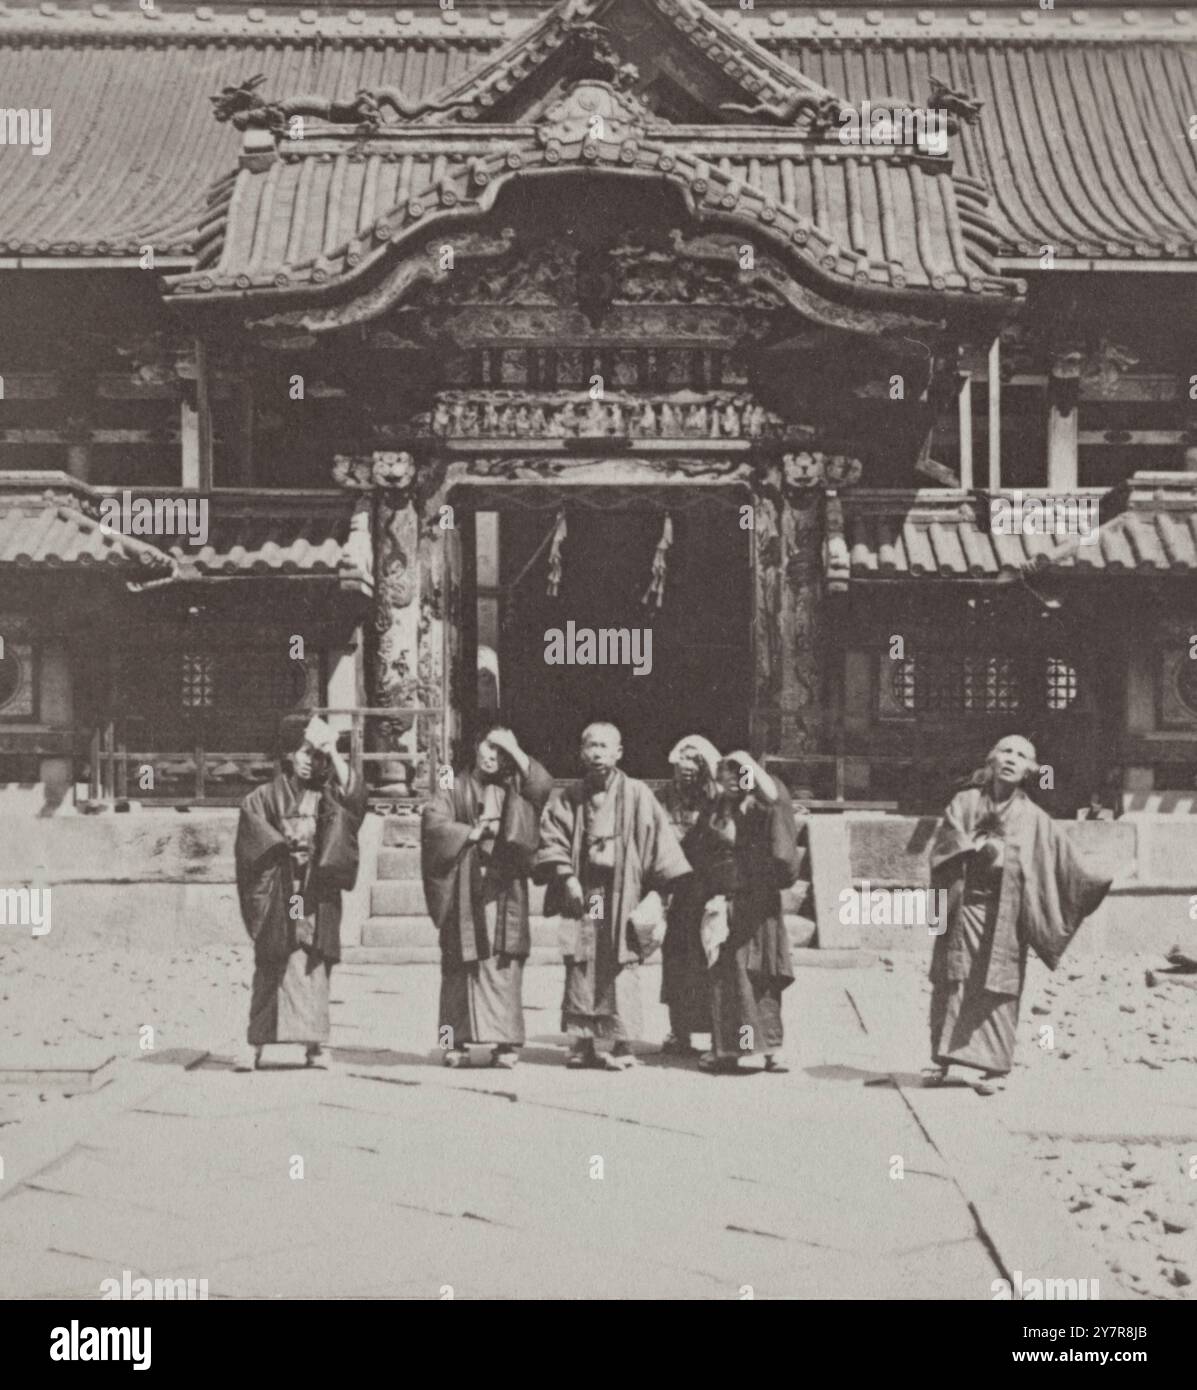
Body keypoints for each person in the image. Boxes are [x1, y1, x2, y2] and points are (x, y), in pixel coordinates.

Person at [927, 735, 1112, 1096]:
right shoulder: (964, 802)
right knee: (954, 980)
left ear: (1030, 770)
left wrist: (1099, 877)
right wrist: (976, 849)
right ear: (992, 759)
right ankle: (946, 1061)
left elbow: (1065, 862)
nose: (1012, 759)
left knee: (1000, 986)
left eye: (1022, 755)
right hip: (963, 906)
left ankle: (993, 1066)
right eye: (1005, 751)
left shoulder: (1034, 818)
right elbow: (945, 845)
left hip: (1005, 913)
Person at [534, 721, 690, 1071]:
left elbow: (660, 843)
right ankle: (582, 1040)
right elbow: (552, 838)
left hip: (624, 890)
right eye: (591, 746)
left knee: (621, 959)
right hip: (588, 890)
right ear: (581, 751)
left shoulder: (637, 794)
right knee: (584, 957)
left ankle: (622, 1042)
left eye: (605, 747)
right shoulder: (571, 796)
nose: (597, 753)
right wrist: (566, 876)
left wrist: (657, 893)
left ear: (619, 752)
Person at [233, 714, 366, 1072]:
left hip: (313, 892)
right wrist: (283, 846)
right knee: (272, 962)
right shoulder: (262, 797)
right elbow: (251, 836)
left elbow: (356, 803)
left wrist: (334, 751)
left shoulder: (328, 795)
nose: (310, 760)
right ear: (289, 754)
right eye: (303, 752)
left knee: (313, 963)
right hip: (280, 890)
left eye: (316, 754)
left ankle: (315, 1045)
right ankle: (256, 1044)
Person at [420, 726, 553, 1069]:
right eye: (488, 747)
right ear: (475, 746)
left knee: (503, 962)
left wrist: (515, 749)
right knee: (457, 968)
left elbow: (542, 787)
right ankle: (452, 1043)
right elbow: (434, 817)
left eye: (501, 751)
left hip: (503, 885)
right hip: (463, 880)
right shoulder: (452, 777)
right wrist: (472, 832)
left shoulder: (516, 783)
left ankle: (506, 1045)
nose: (493, 756)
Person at [692, 752, 802, 1074]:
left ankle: (771, 1049)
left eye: (738, 776)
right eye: (724, 777)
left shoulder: (762, 808)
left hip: (759, 904)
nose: (731, 783)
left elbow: (773, 796)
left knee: (762, 976)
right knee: (729, 980)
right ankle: (731, 1049)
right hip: (726, 902)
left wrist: (746, 761)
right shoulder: (716, 812)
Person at [657, 734, 721, 1056]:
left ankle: (716, 1034)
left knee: (709, 958)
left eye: (696, 761)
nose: (688, 766)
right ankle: (679, 1031)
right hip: (676, 889)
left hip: (706, 888)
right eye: (683, 759)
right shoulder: (662, 796)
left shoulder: (716, 798)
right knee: (677, 960)